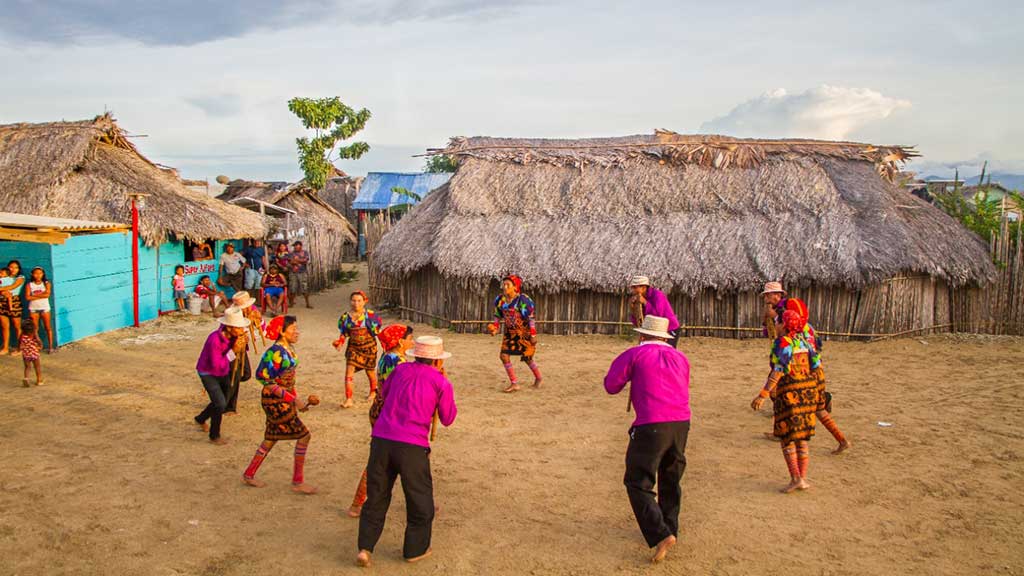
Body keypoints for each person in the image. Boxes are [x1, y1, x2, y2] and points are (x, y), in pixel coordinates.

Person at [356, 335, 457, 567]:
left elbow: (384, 394)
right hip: (412, 445)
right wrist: (443, 385)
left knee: (377, 496)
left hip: (381, 439)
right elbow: (448, 418)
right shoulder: (441, 381)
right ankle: (414, 549)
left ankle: (365, 548)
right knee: (419, 498)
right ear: (438, 361)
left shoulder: (400, 371)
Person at [603, 315, 691, 564]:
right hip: (681, 423)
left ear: (642, 335)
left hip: (652, 423)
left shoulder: (634, 354)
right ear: (665, 337)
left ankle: (661, 533)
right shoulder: (681, 357)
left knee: (637, 481)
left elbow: (611, 386)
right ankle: (670, 528)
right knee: (670, 478)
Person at [242, 315, 320, 494]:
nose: (296, 332)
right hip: (276, 401)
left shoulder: (286, 349)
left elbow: (287, 381)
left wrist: (298, 400)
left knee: (271, 438)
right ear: (281, 331)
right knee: (304, 435)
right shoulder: (276, 352)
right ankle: (297, 481)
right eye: (292, 329)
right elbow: (266, 380)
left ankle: (249, 473)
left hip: (281, 399)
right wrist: (294, 400)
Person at [750, 306, 822, 493]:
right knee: (802, 437)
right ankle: (802, 478)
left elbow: (778, 370)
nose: (777, 325)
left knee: (786, 437)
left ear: (784, 324)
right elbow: (816, 366)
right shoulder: (806, 343)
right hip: (808, 392)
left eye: (779, 322)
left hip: (790, 393)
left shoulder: (783, 343)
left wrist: (763, 394)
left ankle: (795, 477)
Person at [349, 324, 415, 518]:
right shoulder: (398, 362)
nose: (412, 341)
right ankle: (420, 501)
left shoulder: (389, 357)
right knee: (393, 461)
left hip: (381, 411)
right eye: (410, 338)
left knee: (385, 459)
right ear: (400, 341)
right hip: (390, 415)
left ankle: (357, 503)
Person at [782, 298, 849, 454]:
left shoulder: (796, 332)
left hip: (804, 374)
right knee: (817, 409)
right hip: (816, 371)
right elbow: (817, 347)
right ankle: (842, 439)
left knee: (794, 404)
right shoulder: (808, 328)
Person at [194, 307, 249, 445]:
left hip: (222, 371)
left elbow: (241, 351)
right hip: (208, 372)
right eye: (239, 328)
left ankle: (201, 418)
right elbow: (217, 364)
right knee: (220, 403)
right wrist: (234, 351)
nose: (241, 330)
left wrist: (243, 344)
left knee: (222, 400)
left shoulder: (234, 335)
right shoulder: (215, 340)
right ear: (229, 327)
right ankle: (214, 435)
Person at [487, 275, 542, 393]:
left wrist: (533, 334)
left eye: (508, 285)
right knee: (504, 356)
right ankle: (514, 383)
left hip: (523, 332)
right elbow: (497, 315)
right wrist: (495, 327)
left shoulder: (523, 300)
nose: (505, 287)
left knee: (527, 358)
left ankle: (538, 377)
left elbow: (531, 318)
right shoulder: (500, 300)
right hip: (509, 333)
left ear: (515, 287)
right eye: (504, 284)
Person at [333, 291, 383, 408]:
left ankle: (372, 392)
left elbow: (377, 333)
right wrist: (339, 342)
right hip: (353, 348)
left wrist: (385, 344)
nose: (356, 303)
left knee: (370, 371)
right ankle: (349, 398)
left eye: (359, 301)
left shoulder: (370, 316)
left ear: (365, 301)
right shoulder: (345, 317)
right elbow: (344, 333)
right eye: (353, 300)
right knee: (349, 372)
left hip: (369, 347)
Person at [223, 291, 258, 415]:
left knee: (245, 374)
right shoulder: (231, 319)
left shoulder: (249, 313)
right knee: (235, 376)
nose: (250, 307)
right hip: (231, 350)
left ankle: (223, 393)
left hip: (242, 348)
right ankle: (228, 406)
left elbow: (259, 328)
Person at [628, 276, 682, 347]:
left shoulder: (658, 295)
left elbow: (658, 315)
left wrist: (645, 302)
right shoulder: (638, 299)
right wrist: (632, 308)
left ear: (644, 287)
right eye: (632, 287)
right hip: (653, 331)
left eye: (635, 287)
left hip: (669, 328)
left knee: (666, 352)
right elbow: (638, 322)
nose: (633, 290)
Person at [25, 267, 55, 353]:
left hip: (45, 308)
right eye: (36, 273)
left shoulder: (46, 283)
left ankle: (50, 347)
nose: (38, 275)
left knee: (48, 327)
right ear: (32, 274)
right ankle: (37, 345)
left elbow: (47, 294)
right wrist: (42, 294)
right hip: (33, 308)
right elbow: (27, 297)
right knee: (34, 328)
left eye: (40, 273)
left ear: (43, 274)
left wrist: (33, 296)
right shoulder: (29, 285)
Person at [0, 260, 26, 355]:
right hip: (2, 301)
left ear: (19, 269)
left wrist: (2, 289)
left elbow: (13, 286)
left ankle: (20, 348)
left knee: (17, 326)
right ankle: (6, 347)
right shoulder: (3, 277)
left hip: (14, 301)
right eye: (11, 267)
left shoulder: (20, 277)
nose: (13, 269)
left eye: (16, 267)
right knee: (4, 326)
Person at [288, 241, 312, 309]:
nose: (295, 247)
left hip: (302, 272)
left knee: (304, 288)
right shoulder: (291, 253)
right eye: (294, 246)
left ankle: (307, 303)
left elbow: (306, 260)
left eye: (296, 246)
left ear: (300, 246)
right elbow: (291, 261)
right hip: (293, 273)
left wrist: (296, 260)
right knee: (292, 288)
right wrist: (300, 260)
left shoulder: (305, 252)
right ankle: (291, 303)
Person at [20, 318, 42, 387]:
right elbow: (38, 340)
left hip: (26, 353)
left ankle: (26, 378)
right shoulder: (34, 334)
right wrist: (41, 345)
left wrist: (18, 348)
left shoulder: (22, 334)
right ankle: (39, 380)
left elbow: (19, 342)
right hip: (34, 352)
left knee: (27, 367)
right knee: (37, 366)